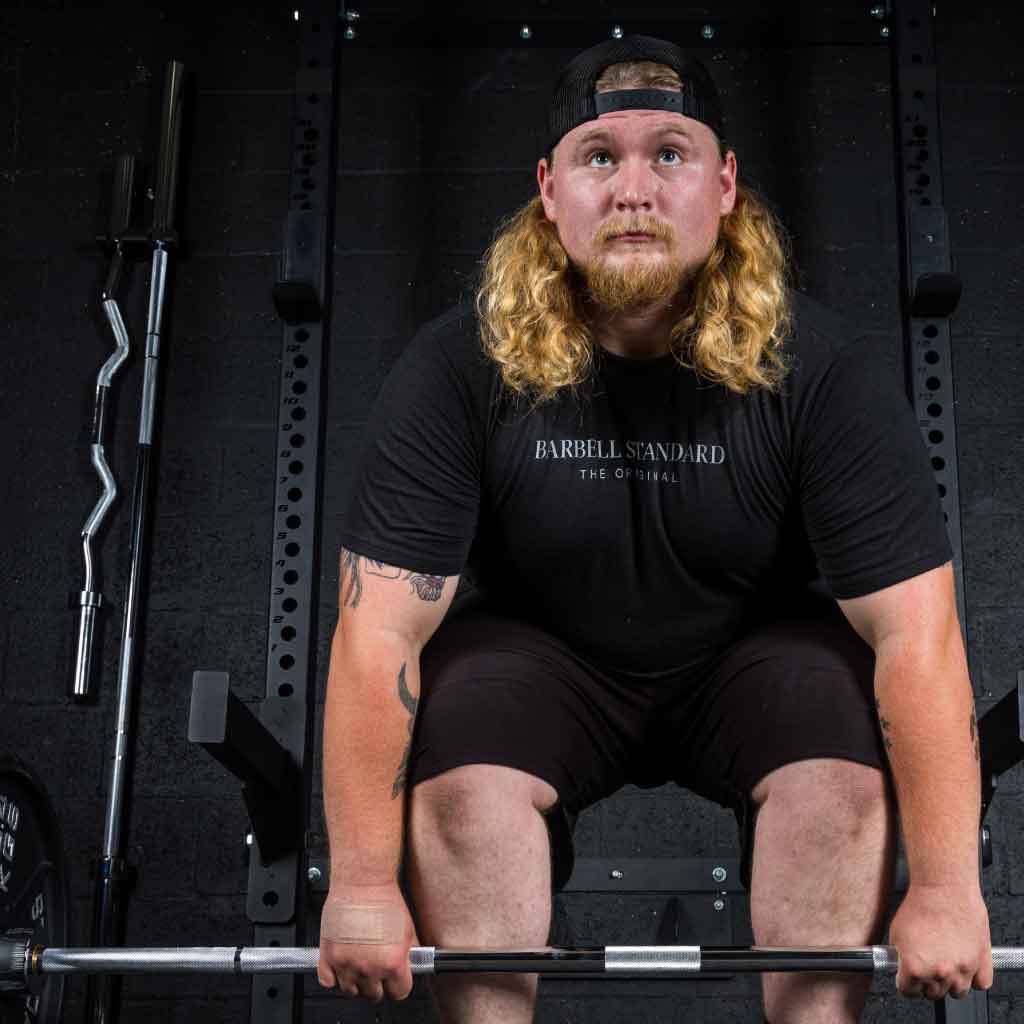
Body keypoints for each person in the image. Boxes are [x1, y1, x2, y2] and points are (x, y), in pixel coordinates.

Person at [316, 34, 993, 1023]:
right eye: (600, 157)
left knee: (840, 774)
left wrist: (942, 887)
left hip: (750, 660)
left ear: (723, 186)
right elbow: (377, 637)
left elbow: (914, 635)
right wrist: (365, 884)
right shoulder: (459, 366)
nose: (632, 189)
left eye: (668, 153)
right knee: (460, 778)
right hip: (542, 659)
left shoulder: (820, 370)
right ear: (550, 191)